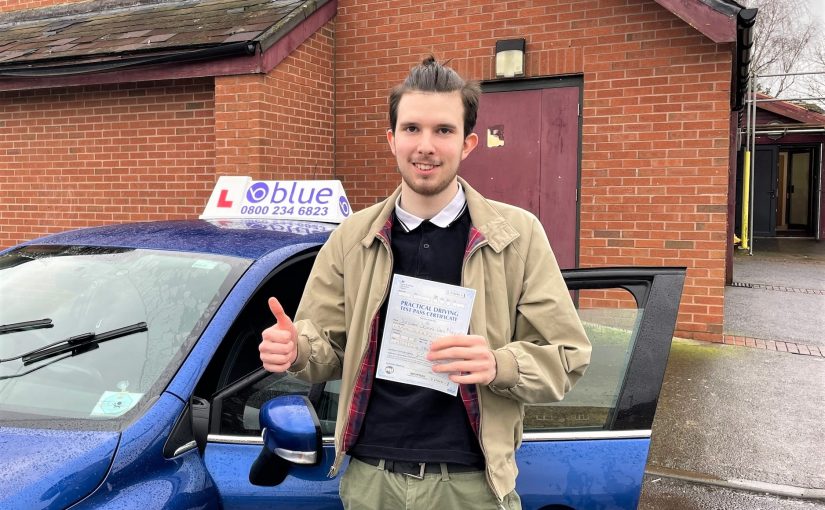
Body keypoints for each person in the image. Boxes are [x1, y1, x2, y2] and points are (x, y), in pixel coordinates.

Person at [259, 56, 591, 510]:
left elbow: (568, 357)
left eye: (444, 130)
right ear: (392, 139)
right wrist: (297, 350)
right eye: (412, 129)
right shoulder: (352, 237)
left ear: (468, 143)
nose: (426, 146)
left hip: (471, 486)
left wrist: (499, 364)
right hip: (371, 482)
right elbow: (328, 350)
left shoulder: (518, 236)